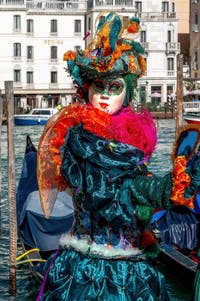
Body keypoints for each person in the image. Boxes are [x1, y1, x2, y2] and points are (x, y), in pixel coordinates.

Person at [36, 12, 200, 301]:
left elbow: (136, 186)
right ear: (87, 87)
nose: (104, 95)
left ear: (128, 91)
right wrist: (168, 187)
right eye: (99, 86)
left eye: (114, 87)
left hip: (126, 262)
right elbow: (119, 189)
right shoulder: (76, 140)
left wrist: (179, 180)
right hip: (90, 269)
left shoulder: (130, 144)